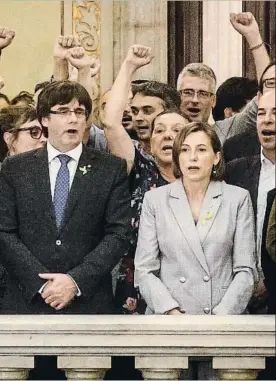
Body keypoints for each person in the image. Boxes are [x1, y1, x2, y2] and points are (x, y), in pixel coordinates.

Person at [0, 80, 131, 315]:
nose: (73, 119)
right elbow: (2, 232)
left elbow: (119, 234)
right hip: (29, 301)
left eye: (79, 112)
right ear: (45, 119)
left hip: (88, 303)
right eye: (63, 112)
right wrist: (43, 284)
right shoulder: (16, 168)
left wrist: (75, 281)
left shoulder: (110, 169)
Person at [135, 121, 256, 380]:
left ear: (217, 157)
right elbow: (144, 270)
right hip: (168, 325)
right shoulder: (156, 200)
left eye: (201, 150)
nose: (192, 157)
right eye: (185, 150)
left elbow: (246, 270)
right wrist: (171, 312)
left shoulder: (237, 198)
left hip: (222, 325)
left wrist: (220, 318)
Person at [101, 45, 190, 314]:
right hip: (136, 286)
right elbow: (111, 123)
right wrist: (128, 66)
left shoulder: (202, 176)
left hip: (190, 284)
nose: (167, 136)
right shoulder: (136, 164)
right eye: (159, 130)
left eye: (176, 130)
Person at [0, 105, 47, 315]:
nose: (43, 139)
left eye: (45, 132)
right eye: (33, 132)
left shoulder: (56, 187)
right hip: (5, 299)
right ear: (9, 138)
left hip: (50, 296)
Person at [225, 89, 275, 314]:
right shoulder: (236, 170)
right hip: (237, 291)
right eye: (262, 113)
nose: (268, 120)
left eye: (275, 113)